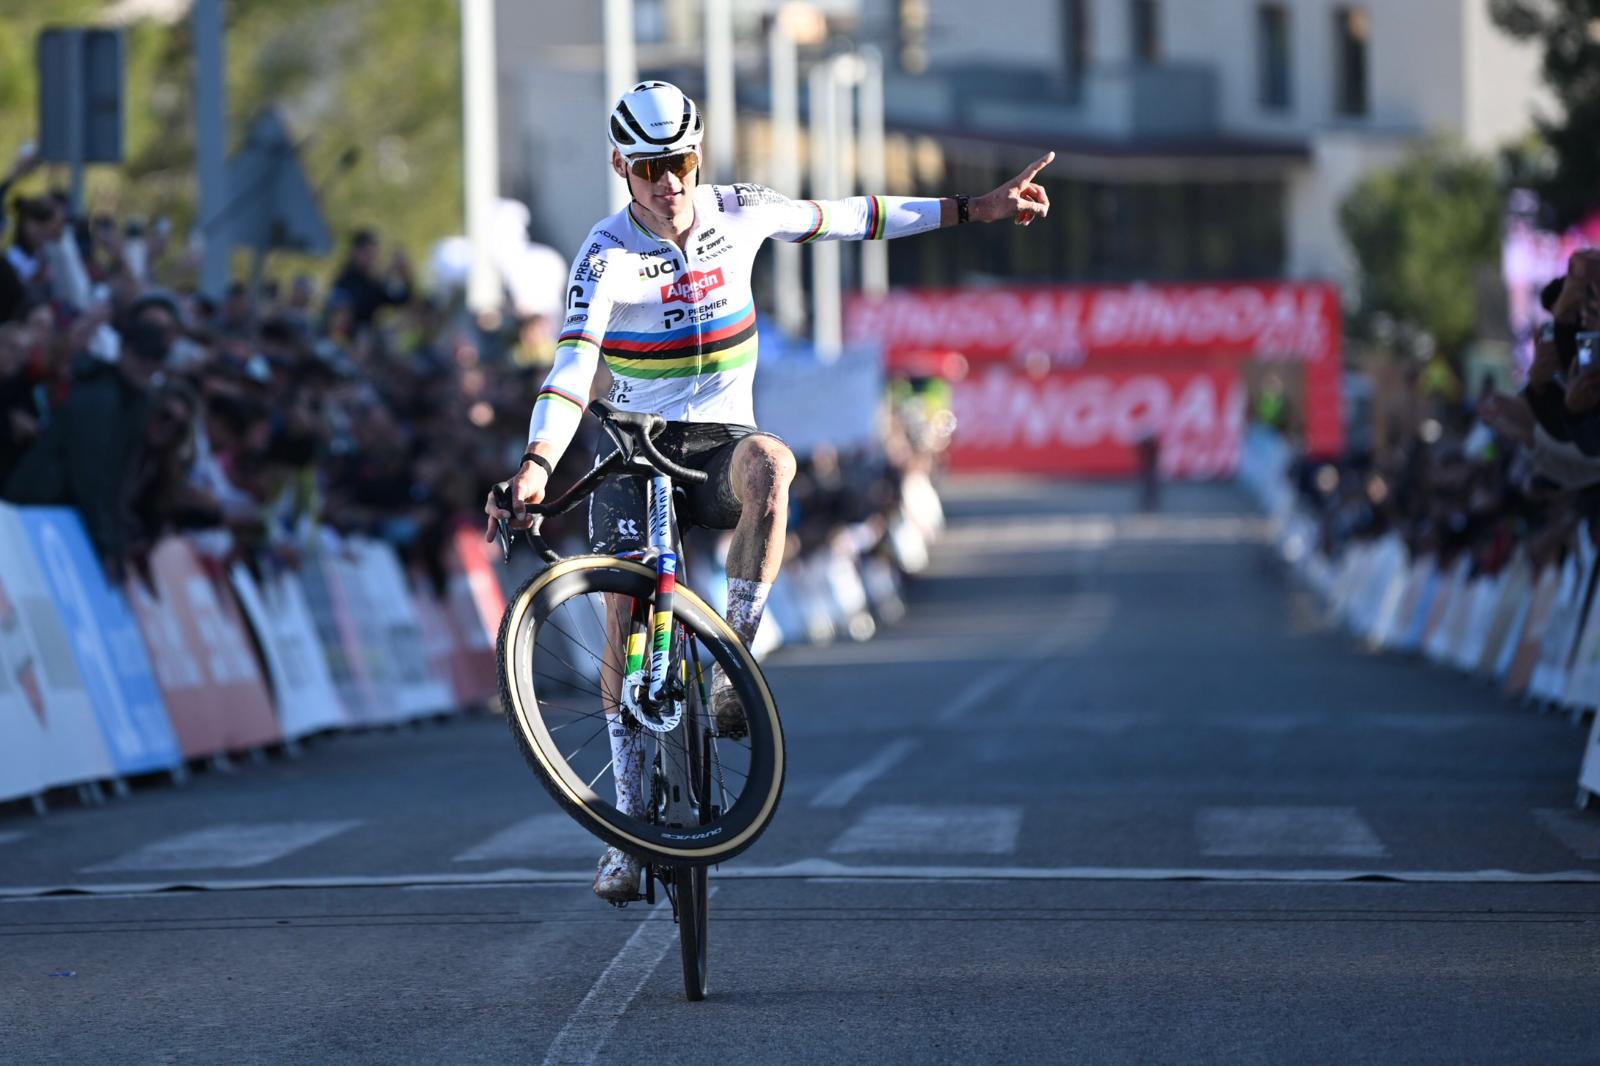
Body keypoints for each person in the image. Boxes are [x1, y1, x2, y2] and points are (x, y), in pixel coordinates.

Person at [484, 80, 1054, 902]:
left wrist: (975, 208)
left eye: (681, 163)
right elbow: (570, 368)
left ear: (699, 155)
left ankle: (734, 665)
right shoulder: (605, 256)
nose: (669, 183)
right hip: (632, 446)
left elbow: (853, 215)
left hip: (718, 442)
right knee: (626, 623)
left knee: (774, 467)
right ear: (619, 166)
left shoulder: (740, 211)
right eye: (649, 169)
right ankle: (628, 829)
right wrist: (538, 464)